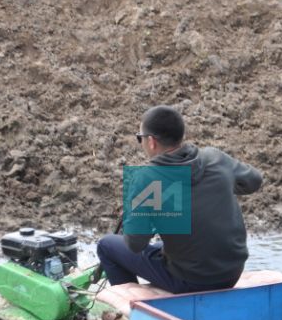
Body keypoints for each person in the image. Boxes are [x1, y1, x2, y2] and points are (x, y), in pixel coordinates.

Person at [96, 105, 262, 294]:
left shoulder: (148, 179)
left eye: (139, 138)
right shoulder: (215, 158)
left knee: (107, 245)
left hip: (191, 281)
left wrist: (139, 214)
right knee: (164, 246)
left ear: (151, 142)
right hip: (232, 271)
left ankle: (134, 308)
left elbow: (135, 245)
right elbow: (254, 181)